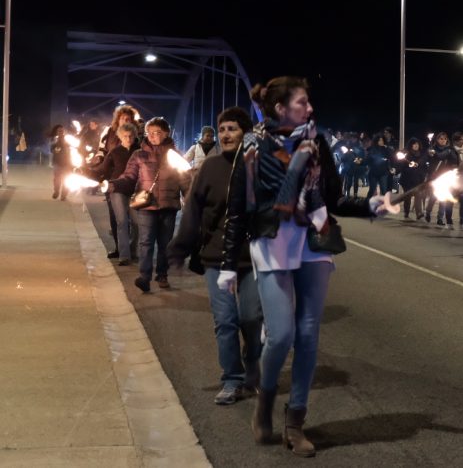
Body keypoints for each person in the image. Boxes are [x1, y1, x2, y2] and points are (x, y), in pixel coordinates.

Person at [221, 76, 384, 456]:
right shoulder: (253, 145)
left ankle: (295, 422)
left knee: (308, 335)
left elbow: (332, 197)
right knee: (280, 335)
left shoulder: (318, 143)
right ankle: (265, 400)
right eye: (302, 103)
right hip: (272, 240)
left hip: (314, 240)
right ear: (280, 109)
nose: (310, 109)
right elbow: (238, 207)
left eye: (309, 103)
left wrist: (369, 206)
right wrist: (228, 263)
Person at [167, 107, 262, 406]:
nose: (225, 135)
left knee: (252, 318)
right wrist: (180, 247)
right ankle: (232, 379)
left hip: (253, 258)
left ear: (246, 133)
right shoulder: (210, 167)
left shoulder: (260, 167)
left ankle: (252, 367)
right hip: (216, 257)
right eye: (222, 130)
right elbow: (193, 211)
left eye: (232, 129)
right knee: (225, 320)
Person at [107, 117, 190, 293]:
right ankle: (144, 277)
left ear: (166, 133)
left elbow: (185, 181)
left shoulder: (175, 156)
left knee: (165, 243)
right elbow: (129, 177)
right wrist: (112, 184)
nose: (153, 136)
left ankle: (162, 274)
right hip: (147, 206)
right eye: (149, 133)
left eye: (157, 132)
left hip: (169, 205)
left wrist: (190, 199)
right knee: (145, 242)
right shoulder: (139, 155)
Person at [89, 123, 138, 265]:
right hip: (117, 189)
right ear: (120, 137)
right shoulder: (115, 152)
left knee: (137, 223)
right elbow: (102, 169)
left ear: (135, 136)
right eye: (125, 136)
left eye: (130, 136)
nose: (128, 139)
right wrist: (86, 171)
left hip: (136, 190)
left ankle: (132, 250)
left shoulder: (140, 151)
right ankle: (124, 255)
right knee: (122, 221)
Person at [424, 131, 457, 228]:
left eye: (445, 139)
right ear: (437, 139)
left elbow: (453, 159)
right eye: (441, 138)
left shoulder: (449, 150)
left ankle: (440, 218)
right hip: (434, 176)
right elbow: (427, 159)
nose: (443, 140)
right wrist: (429, 154)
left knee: (443, 198)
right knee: (433, 197)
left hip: (445, 177)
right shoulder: (432, 148)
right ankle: (428, 212)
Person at [398, 137, 429, 221]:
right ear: (411, 145)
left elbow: (424, 162)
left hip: (418, 179)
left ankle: (419, 213)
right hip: (407, 180)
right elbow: (401, 165)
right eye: (414, 144)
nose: (416, 145)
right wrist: (409, 166)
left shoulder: (421, 154)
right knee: (407, 197)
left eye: (417, 144)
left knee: (418, 195)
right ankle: (406, 213)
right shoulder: (406, 154)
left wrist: (417, 164)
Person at [48, 124, 70, 200]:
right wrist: (55, 149)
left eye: (62, 131)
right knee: (57, 179)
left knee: (65, 179)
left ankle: (63, 194)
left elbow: (71, 148)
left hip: (66, 162)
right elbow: (51, 149)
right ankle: (57, 192)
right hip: (57, 162)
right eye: (59, 131)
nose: (60, 132)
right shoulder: (55, 140)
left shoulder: (67, 139)